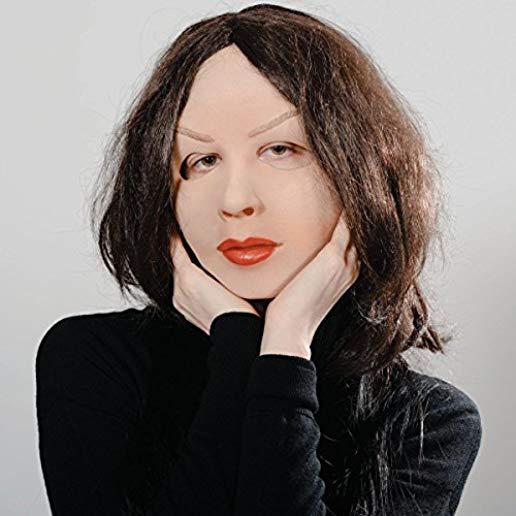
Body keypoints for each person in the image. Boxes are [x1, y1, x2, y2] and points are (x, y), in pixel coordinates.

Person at [35, 4, 482, 515]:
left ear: (359, 171)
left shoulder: (430, 423)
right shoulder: (93, 359)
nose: (234, 200)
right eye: (203, 160)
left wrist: (286, 344)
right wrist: (237, 345)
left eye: (279, 150)